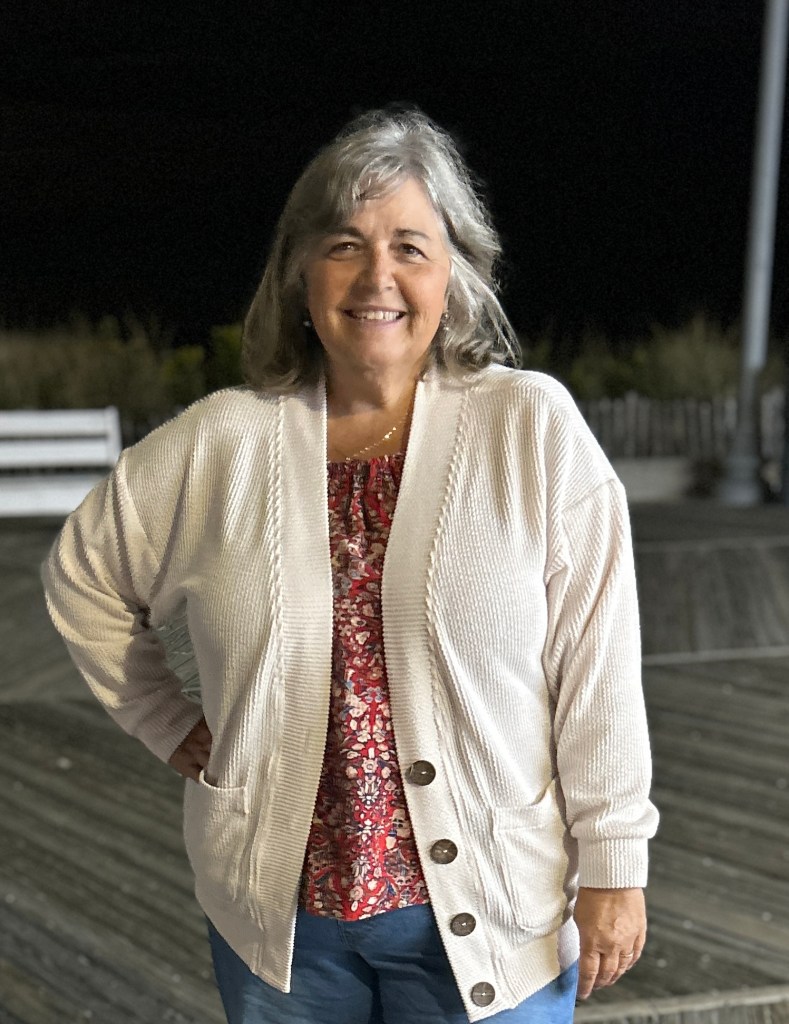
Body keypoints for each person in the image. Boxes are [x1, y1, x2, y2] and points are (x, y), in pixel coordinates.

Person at [42, 108, 659, 1024]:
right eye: (344, 245)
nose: (378, 277)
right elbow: (83, 573)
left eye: (410, 246)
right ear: (301, 274)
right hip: (279, 932)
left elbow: (596, 670)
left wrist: (614, 864)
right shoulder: (222, 441)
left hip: (498, 911)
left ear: (455, 274)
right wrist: (163, 718)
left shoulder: (529, 427)